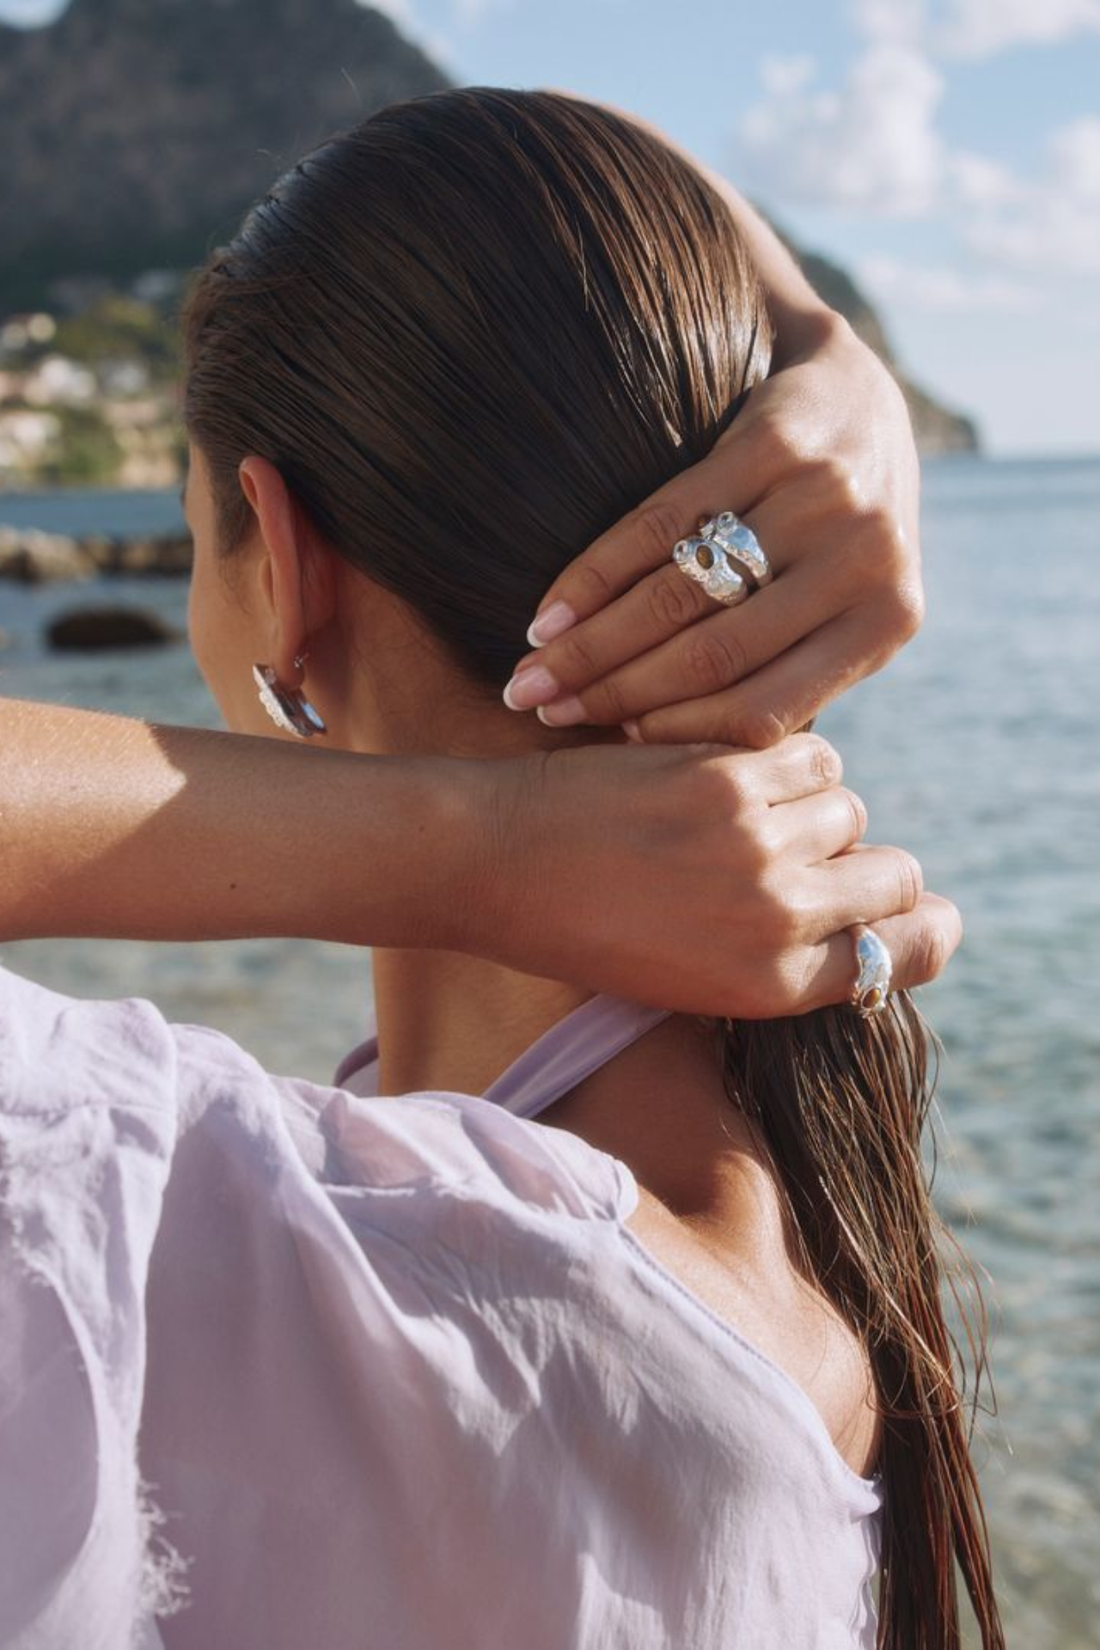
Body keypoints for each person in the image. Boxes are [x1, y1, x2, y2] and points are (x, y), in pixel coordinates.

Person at [0, 89, 1001, 1650]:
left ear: (282, 565)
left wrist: (477, 845)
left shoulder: (199, 1238)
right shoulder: (799, 1309)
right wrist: (816, 336)